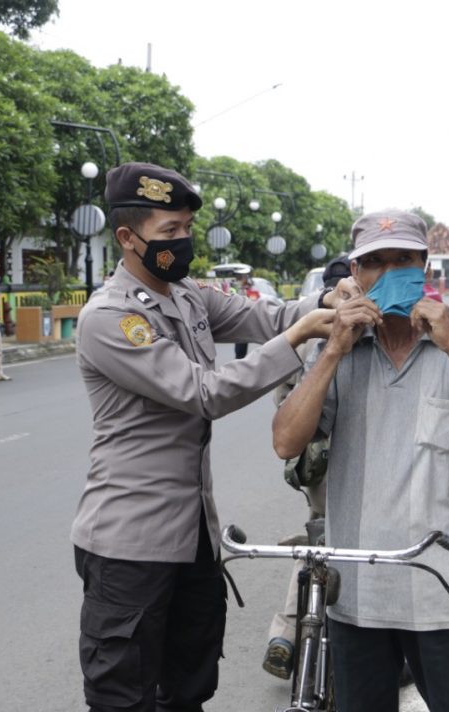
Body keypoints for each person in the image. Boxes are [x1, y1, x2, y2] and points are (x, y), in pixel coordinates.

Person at [71, 162, 339, 712]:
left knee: (190, 684)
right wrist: (296, 338)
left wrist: (329, 302)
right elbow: (204, 393)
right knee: (123, 694)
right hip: (130, 543)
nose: (183, 241)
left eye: (188, 227)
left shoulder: (185, 295)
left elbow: (266, 315)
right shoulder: (112, 319)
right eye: (169, 232)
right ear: (127, 238)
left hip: (194, 534)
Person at [273, 210, 449, 712]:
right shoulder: (337, 352)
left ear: (425, 267)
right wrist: (331, 353)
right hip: (357, 596)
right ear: (355, 275)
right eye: (375, 263)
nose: (390, 273)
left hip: (444, 596)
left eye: (403, 259)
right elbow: (286, 440)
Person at [262, 254, 353, 679]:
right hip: (349, 464)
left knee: (317, 535)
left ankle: (283, 634)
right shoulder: (346, 336)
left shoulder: (303, 339)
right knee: (345, 541)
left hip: (312, 465)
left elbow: (282, 403)